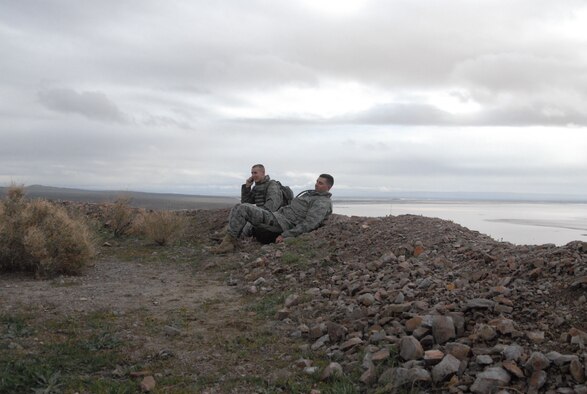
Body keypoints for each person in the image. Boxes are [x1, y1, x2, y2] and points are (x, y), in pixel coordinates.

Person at [211, 174, 334, 254]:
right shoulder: (310, 195)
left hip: (282, 223)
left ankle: (228, 244)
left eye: (320, 183)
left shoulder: (322, 202)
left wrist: (286, 235)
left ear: (328, 187)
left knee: (243, 208)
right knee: (242, 210)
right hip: (278, 216)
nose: (316, 184)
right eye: (317, 181)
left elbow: (309, 224)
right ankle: (229, 238)